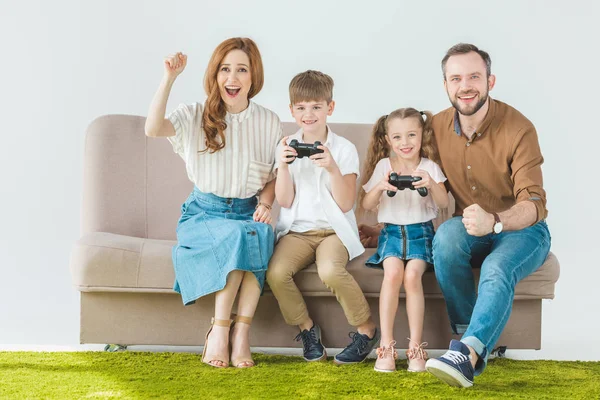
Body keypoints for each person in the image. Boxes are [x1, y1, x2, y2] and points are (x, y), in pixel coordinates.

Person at [144, 38, 282, 369]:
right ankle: (219, 331)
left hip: (247, 210)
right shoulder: (194, 115)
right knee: (239, 236)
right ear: (215, 74)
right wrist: (169, 78)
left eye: (241, 70)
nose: (232, 78)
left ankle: (241, 334)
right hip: (203, 213)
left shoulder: (269, 121)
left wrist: (265, 202)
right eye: (225, 69)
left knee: (258, 234)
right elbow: (152, 128)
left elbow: (276, 174)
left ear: (253, 77)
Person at [420, 43, 551, 387]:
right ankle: (468, 344)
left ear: (490, 81)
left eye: (474, 76)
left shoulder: (519, 128)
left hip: (523, 229)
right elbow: (416, 177)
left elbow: (534, 204)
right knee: (446, 238)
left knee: (496, 267)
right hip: (469, 227)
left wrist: (495, 221)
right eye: (456, 78)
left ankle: (468, 350)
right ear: (446, 85)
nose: (466, 86)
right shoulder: (434, 126)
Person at [266, 70, 379, 365]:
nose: (309, 114)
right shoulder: (285, 145)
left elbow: (345, 204)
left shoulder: (343, 149)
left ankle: (366, 332)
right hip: (297, 232)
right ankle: (307, 329)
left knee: (329, 270)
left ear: (330, 108)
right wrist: (283, 166)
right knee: (276, 273)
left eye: (316, 107)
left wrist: (332, 168)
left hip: (333, 231)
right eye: (301, 108)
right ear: (291, 110)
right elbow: (285, 200)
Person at [358, 108, 448, 373]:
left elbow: (443, 204)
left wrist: (431, 184)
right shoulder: (383, 166)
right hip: (391, 232)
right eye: (397, 137)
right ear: (387, 140)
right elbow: (366, 203)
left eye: (411, 135)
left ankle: (416, 346)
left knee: (412, 276)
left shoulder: (429, 167)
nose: (405, 143)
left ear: (423, 136)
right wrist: (380, 187)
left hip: (421, 232)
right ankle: (386, 345)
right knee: (394, 273)